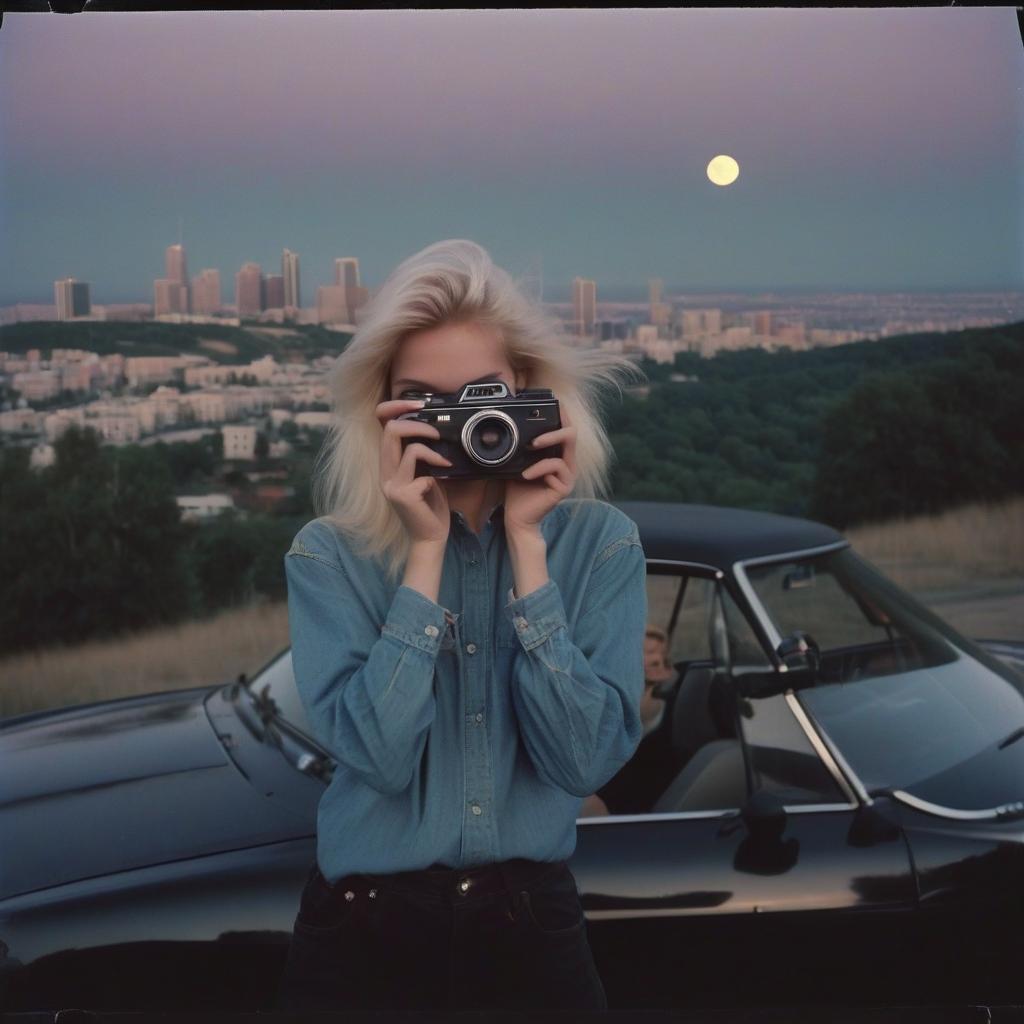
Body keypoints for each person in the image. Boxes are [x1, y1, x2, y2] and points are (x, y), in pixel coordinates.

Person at [274, 239, 649, 1012]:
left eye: (484, 395)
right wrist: (424, 551)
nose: (465, 424)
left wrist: (528, 549)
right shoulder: (329, 556)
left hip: (530, 927)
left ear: (529, 393)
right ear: (382, 411)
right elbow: (377, 756)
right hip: (362, 933)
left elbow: (584, 763)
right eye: (426, 400)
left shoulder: (600, 543)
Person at [580, 625, 681, 817]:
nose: (656, 660)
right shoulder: (604, 703)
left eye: (660, 654)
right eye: (648, 652)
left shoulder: (665, 725)